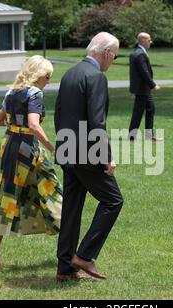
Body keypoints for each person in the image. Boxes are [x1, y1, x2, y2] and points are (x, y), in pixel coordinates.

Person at [0, 55, 62, 272]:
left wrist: (15, 124)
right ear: (40, 75)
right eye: (48, 76)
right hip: (28, 149)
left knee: (7, 196)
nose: (49, 81)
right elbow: (34, 126)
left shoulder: (12, 92)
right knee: (52, 188)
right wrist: (53, 148)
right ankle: (71, 247)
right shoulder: (35, 93)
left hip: (9, 147)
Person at [54, 32, 124, 282]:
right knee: (113, 201)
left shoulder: (70, 73)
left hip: (67, 151)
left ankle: (64, 269)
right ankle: (84, 256)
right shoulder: (96, 77)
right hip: (86, 155)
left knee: (72, 210)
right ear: (106, 53)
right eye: (114, 56)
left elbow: (59, 114)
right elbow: (97, 122)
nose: (112, 61)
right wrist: (106, 157)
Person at [128, 32, 162, 141]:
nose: (150, 42)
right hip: (142, 88)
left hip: (143, 89)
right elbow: (144, 72)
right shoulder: (140, 54)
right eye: (148, 40)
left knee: (150, 109)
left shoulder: (138, 52)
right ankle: (132, 136)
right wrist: (153, 85)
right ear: (143, 40)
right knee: (138, 112)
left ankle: (149, 136)